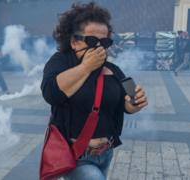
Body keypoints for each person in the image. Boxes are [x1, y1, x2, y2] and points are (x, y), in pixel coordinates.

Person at [40, 2, 148, 180]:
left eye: (104, 42)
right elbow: (51, 93)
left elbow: (126, 104)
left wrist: (135, 103)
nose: (99, 47)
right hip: (76, 155)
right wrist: (86, 67)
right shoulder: (61, 61)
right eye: (91, 41)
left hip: (106, 152)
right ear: (74, 41)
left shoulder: (113, 69)